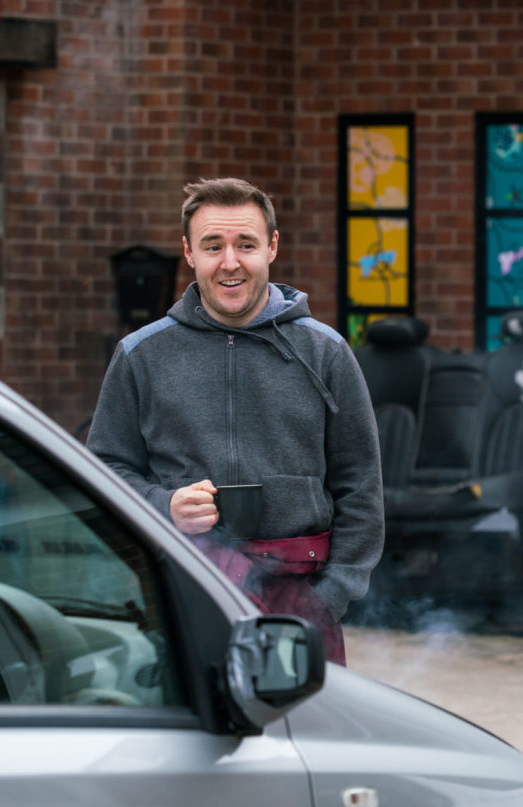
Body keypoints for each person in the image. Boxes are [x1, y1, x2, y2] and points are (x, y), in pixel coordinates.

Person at [87, 177, 381, 665]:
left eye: (245, 244)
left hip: (302, 596)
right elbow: (103, 472)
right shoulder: (141, 356)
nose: (229, 262)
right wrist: (163, 505)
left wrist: (332, 596)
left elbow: (361, 484)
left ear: (271, 247)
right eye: (212, 246)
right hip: (185, 590)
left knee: (302, 739)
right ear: (188, 253)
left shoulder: (326, 352)